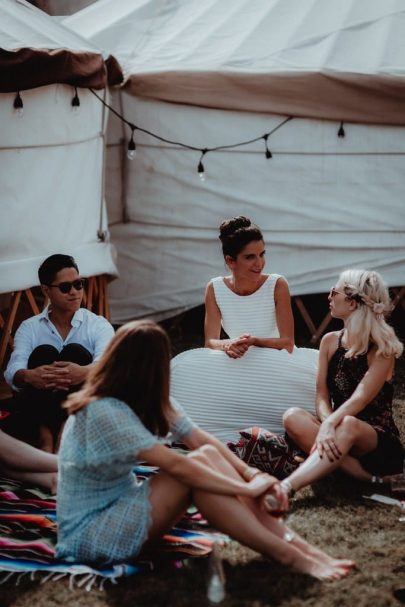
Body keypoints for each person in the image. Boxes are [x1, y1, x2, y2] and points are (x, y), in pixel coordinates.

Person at [56, 319, 353, 580]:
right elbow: (178, 466)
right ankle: (291, 557)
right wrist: (248, 489)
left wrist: (252, 475)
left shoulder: (146, 398)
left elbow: (201, 440)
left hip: (124, 503)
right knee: (193, 472)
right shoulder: (103, 411)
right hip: (90, 533)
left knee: (207, 456)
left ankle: (303, 550)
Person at [170, 216, 318, 442]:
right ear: (230, 261)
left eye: (262, 255)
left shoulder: (277, 284)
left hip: (278, 359)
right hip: (239, 358)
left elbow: (287, 342)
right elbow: (210, 342)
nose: (259, 263)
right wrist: (230, 345)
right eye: (250, 257)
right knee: (184, 365)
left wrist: (252, 341)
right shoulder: (215, 287)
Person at [280, 269, 404, 497]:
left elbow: (361, 398)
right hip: (337, 429)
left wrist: (330, 425)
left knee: (348, 423)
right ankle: (370, 481)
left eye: (333, 292)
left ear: (352, 303)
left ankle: (286, 486)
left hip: (376, 441)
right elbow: (322, 395)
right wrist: (327, 423)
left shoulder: (382, 350)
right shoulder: (329, 341)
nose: (328, 297)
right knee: (292, 416)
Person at [4, 254, 114, 453]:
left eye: (78, 284)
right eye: (65, 287)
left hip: (82, 410)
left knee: (77, 353)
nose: (74, 292)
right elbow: (14, 368)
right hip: (39, 406)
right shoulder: (30, 327)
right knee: (43, 353)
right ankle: (45, 434)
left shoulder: (98, 325)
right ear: (46, 290)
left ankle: (64, 430)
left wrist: (83, 372)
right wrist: (30, 376)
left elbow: (108, 364)